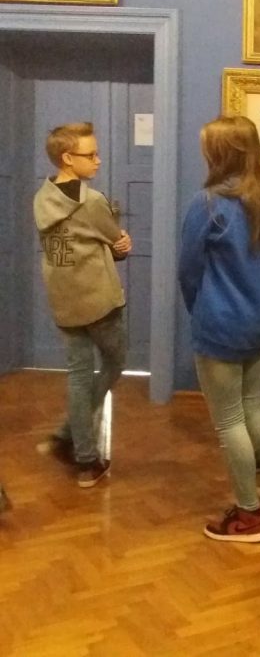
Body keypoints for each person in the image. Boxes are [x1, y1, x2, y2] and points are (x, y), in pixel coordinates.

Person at [179, 116, 260, 542]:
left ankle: (248, 515)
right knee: (256, 408)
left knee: (230, 420)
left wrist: (200, 311)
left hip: (220, 323)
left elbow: (189, 271)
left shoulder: (208, 204)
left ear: (219, 153)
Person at [33, 122, 132, 488]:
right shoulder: (91, 201)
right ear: (68, 158)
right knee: (115, 363)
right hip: (99, 299)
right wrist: (122, 244)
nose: (98, 160)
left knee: (78, 374)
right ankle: (69, 435)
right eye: (91, 155)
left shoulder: (41, 198)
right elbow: (116, 242)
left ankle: (85, 460)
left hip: (63, 299)